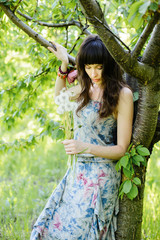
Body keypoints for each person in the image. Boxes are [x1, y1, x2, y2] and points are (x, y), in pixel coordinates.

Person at [30, 34, 133, 240]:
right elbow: (59, 100)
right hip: (76, 171)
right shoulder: (86, 87)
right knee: (48, 226)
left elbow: (122, 149)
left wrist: (84, 147)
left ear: (109, 65)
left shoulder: (122, 94)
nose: (93, 73)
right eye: (87, 67)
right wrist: (62, 65)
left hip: (100, 177)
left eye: (98, 67)